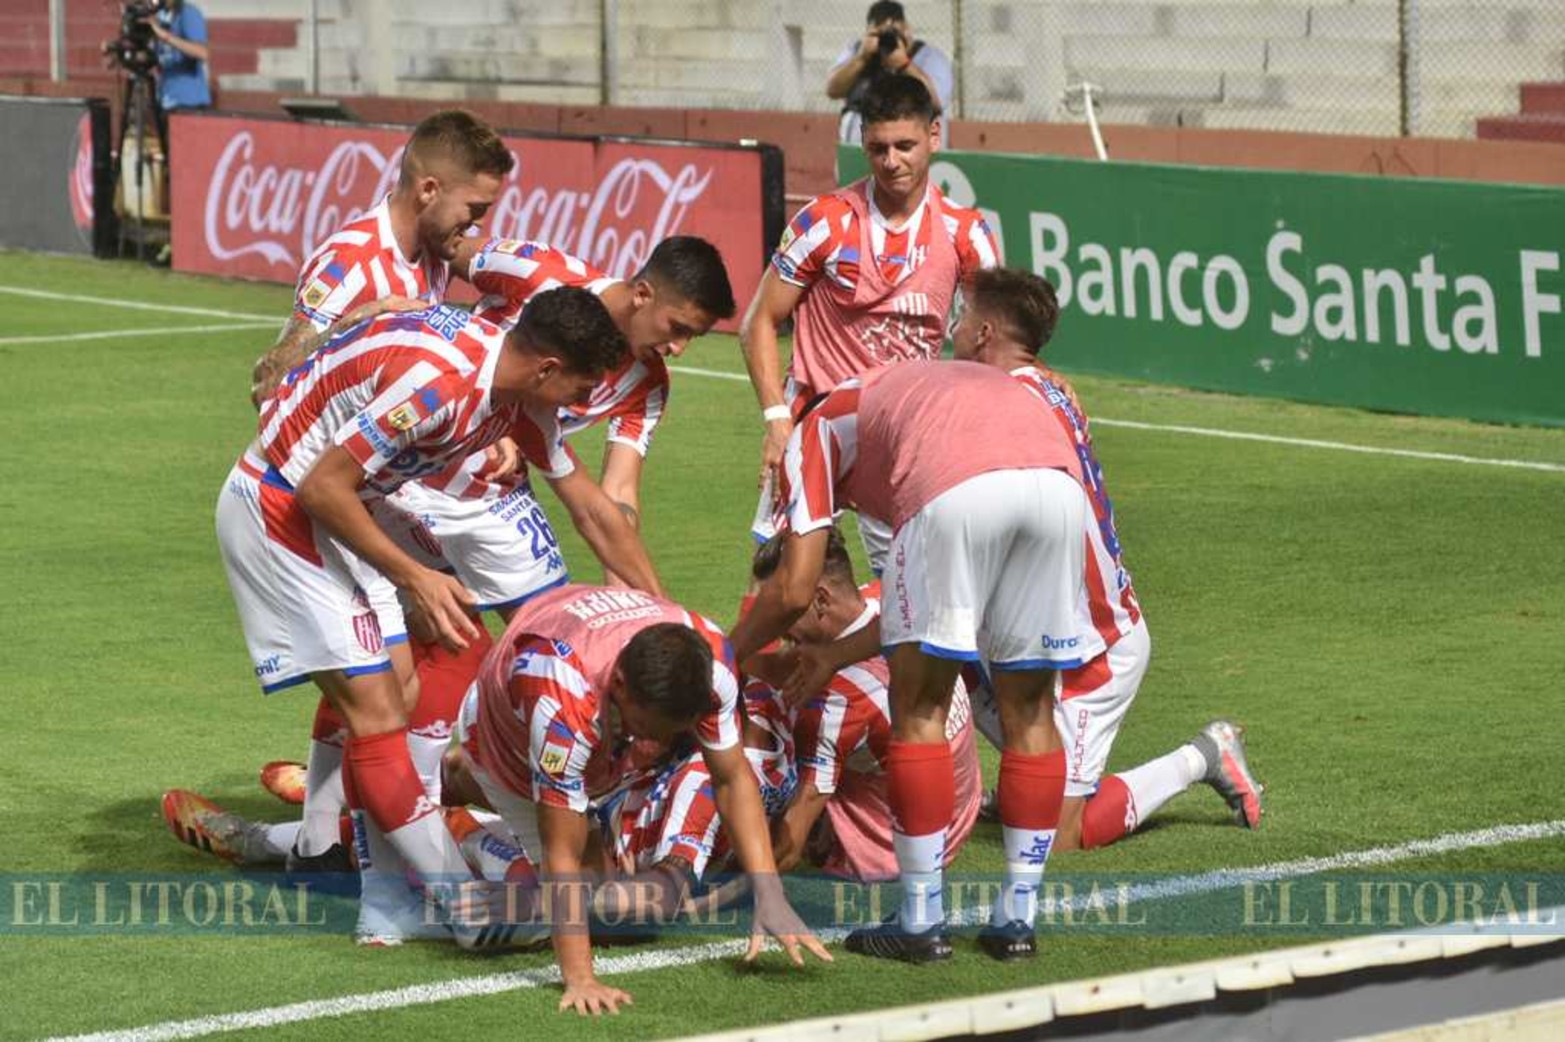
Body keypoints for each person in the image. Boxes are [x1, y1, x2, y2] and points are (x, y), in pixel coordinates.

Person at [214, 289, 653, 946]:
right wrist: (412, 574)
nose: (575, 406)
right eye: (578, 389)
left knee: (414, 683)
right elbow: (320, 486)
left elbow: (591, 509)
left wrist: (661, 614)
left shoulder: (513, 390)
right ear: (547, 369)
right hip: (285, 509)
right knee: (378, 713)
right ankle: (465, 910)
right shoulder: (439, 386)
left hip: (353, 507)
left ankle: (386, 905)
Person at [730, 359, 1092, 963]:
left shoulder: (808, 434)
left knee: (918, 703)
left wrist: (727, 656)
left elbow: (795, 587)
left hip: (954, 483)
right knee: (1030, 709)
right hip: (1058, 485)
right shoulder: (904, 392)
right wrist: (834, 656)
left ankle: (922, 920)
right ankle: (1017, 921)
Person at [949, 268, 1264, 849]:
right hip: (1053, 622)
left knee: (1058, 836)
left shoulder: (1013, 405)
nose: (954, 330)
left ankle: (1204, 755)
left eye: (962, 318)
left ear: (985, 332)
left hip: (1094, 647)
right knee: (951, 664)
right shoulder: (1042, 387)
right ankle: (1025, 789)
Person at [447, 584, 831, 1014]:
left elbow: (732, 776)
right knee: (594, 906)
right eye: (652, 727)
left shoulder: (710, 660)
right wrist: (581, 979)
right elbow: (561, 851)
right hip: (508, 736)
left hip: (592, 722)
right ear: (624, 687)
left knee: (602, 899)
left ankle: (477, 821)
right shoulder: (561, 706)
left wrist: (769, 892)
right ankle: (471, 835)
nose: (663, 741)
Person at [741, 74, 997, 572]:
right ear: (863, 142)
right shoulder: (824, 222)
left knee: (907, 592)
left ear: (935, 137)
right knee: (779, 583)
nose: (891, 161)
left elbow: (994, 337)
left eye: (905, 145)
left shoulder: (965, 233)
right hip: (812, 425)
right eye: (878, 148)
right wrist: (776, 422)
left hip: (902, 434)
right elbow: (760, 321)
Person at [750, 529, 982, 881]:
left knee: (757, 732)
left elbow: (786, 850)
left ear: (820, 600)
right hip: (960, 813)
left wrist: (706, 896)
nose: (774, 626)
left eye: (782, 611)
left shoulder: (836, 702)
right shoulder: (890, 601)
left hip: (892, 853)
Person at [249, 110, 515, 407]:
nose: (477, 223)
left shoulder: (438, 247)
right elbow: (269, 383)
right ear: (428, 190)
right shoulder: (350, 262)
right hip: (332, 449)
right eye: (474, 209)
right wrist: (362, 320)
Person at [827, 2, 953, 148]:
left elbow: (937, 103)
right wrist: (862, 58)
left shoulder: (930, 57)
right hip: (859, 142)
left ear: (907, 29)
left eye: (894, 33)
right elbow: (832, 89)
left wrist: (905, 65)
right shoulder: (858, 51)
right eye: (880, 35)